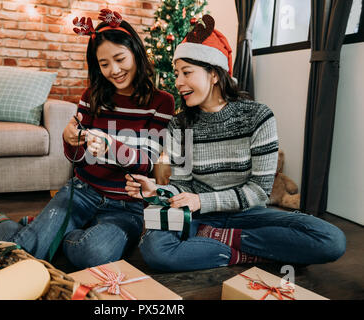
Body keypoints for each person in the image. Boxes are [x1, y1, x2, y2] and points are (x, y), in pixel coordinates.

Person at [125, 15, 346, 272]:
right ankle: (256, 253)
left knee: (331, 240)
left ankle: (219, 242)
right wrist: (157, 190)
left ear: (214, 74)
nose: (178, 83)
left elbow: (259, 191)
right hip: (197, 217)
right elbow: (181, 186)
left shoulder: (258, 116)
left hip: (249, 215)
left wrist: (203, 201)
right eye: (176, 74)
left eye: (186, 73)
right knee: (155, 249)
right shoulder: (179, 125)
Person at [0, 9, 174, 269]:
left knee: (93, 254)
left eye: (119, 59)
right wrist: (70, 140)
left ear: (136, 53)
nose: (114, 70)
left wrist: (110, 145)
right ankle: (2, 222)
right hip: (82, 192)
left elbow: (148, 162)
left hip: (126, 207)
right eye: (104, 64)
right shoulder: (91, 95)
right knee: (24, 256)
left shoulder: (162, 102)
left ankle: (43, 230)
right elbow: (77, 160)